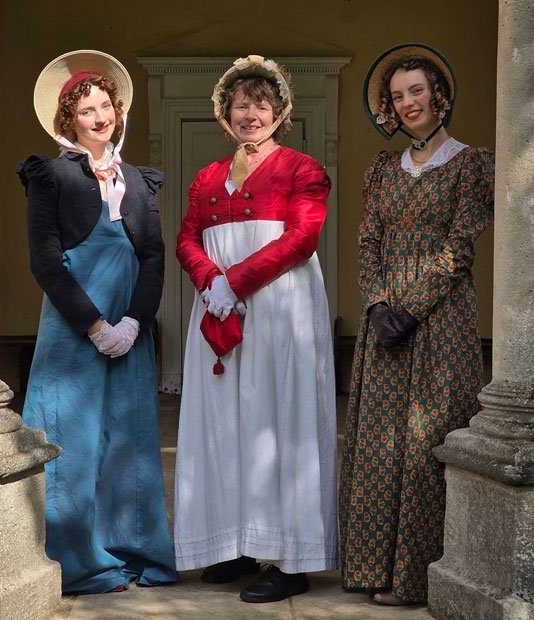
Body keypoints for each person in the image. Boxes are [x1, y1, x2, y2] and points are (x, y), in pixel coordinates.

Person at [174, 55, 338, 603]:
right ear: (225, 114)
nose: (251, 115)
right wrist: (211, 281)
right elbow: (187, 238)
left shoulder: (303, 169)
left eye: (261, 105)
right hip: (218, 304)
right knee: (225, 422)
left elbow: (301, 238)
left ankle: (289, 557)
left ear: (280, 112)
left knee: (278, 417)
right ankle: (238, 543)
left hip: (279, 305)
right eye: (241, 105)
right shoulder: (205, 177)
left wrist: (236, 282)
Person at [339, 43, 494, 605]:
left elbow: (460, 247)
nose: (408, 103)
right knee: (380, 446)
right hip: (385, 326)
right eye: (398, 95)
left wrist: (411, 308)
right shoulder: (383, 169)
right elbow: (368, 241)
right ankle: (374, 570)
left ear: (440, 95)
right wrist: (378, 305)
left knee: (428, 442)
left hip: (441, 320)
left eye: (417, 91)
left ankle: (418, 578)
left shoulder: (470, 164)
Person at [17, 50, 177, 594]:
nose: (99, 116)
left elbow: (152, 257)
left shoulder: (138, 180)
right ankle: (78, 562)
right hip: (73, 331)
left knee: (129, 442)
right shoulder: (50, 176)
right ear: (69, 119)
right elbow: (45, 261)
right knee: (72, 441)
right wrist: (94, 326)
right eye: (86, 110)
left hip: (129, 331)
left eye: (106, 105)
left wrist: (133, 322)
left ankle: (132, 553)